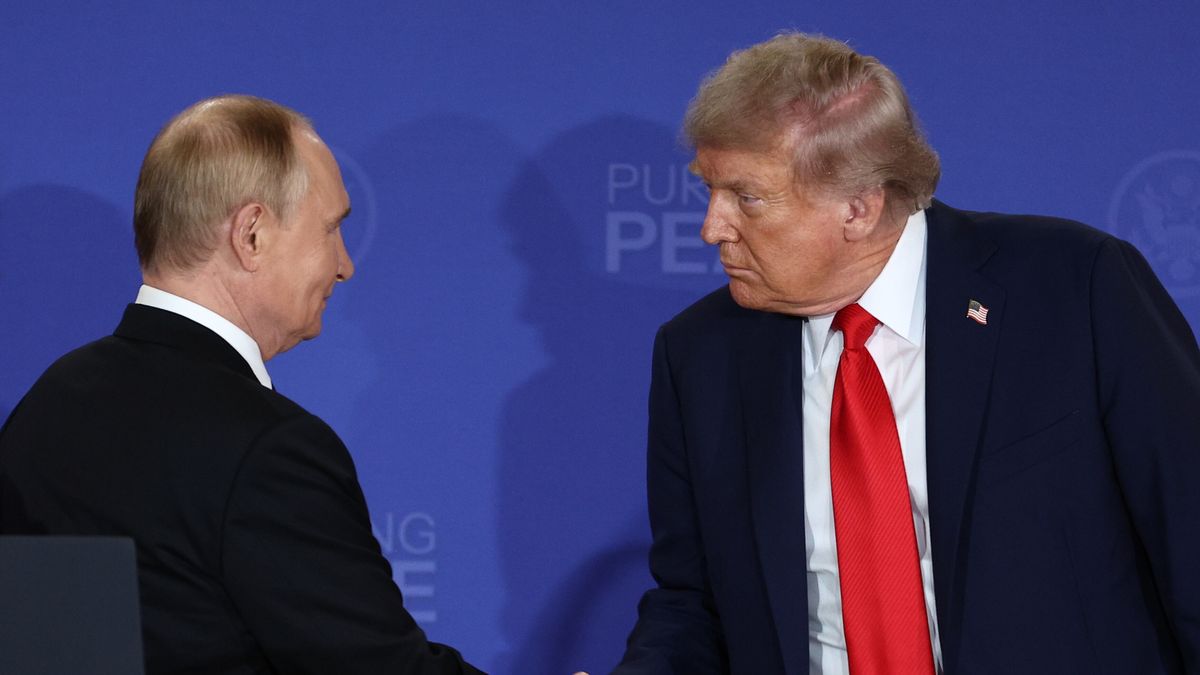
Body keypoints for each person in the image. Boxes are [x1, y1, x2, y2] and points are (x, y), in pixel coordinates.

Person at [612, 33, 1200, 674]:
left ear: (858, 208)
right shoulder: (701, 355)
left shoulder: (1074, 288)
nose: (711, 227)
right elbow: (694, 603)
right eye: (710, 190)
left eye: (746, 197)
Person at [0, 95, 483, 674]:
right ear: (251, 234)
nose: (345, 264)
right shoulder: (271, 450)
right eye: (331, 229)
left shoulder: (47, 404)